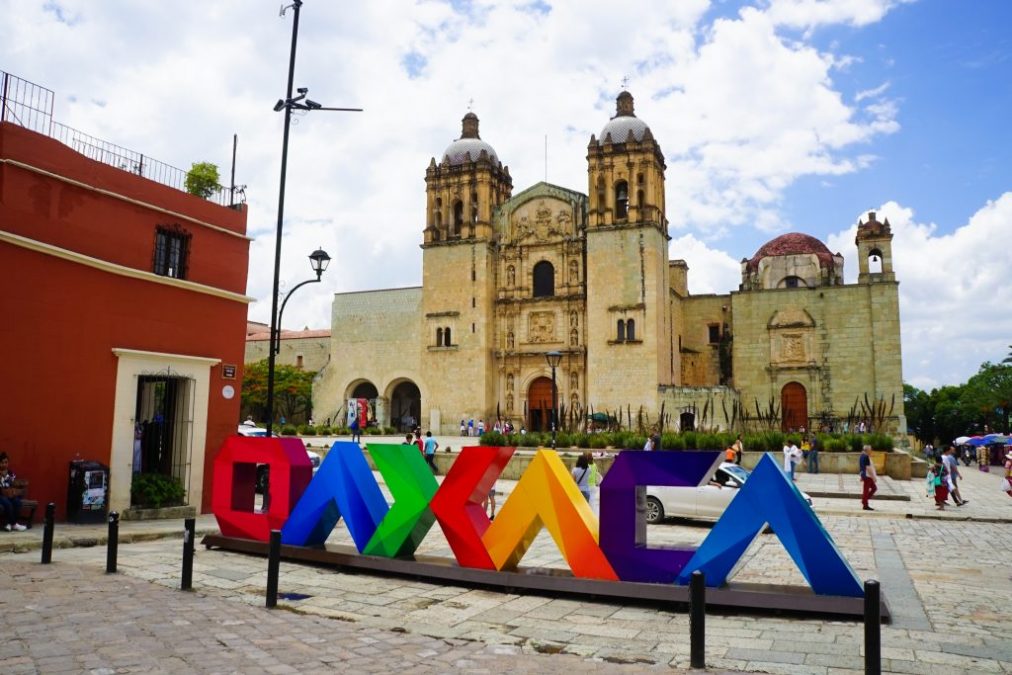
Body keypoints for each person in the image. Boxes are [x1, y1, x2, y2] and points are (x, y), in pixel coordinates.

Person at [0, 452, 28, 532]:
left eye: (6, 462)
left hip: (9, 494)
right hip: (1, 495)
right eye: (2, 462)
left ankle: (9, 524)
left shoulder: (10, 473)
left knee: (17, 502)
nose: (4, 464)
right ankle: (14, 524)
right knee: (7, 504)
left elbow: (13, 484)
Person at [859, 444, 877, 510]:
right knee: (866, 490)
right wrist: (873, 477)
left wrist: (861, 475)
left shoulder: (862, 456)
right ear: (867, 450)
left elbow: (861, 467)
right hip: (868, 476)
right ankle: (865, 504)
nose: (871, 451)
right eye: (870, 450)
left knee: (874, 488)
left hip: (866, 475)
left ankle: (864, 500)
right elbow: (868, 468)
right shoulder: (866, 456)